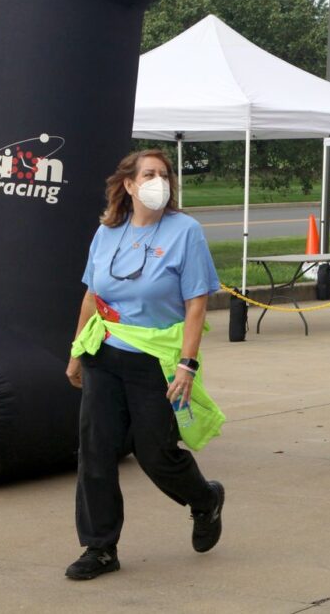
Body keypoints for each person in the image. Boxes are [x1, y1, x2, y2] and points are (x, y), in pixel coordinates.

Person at [63, 148, 224, 580]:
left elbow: (196, 303)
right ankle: (99, 547)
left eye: (165, 175)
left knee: (155, 453)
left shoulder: (185, 231)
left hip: (155, 358)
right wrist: (77, 351)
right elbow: (92, 296)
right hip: (104, 353)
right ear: (129, 184)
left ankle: (204, 499)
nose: (159, 182)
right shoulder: (107, 232)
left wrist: (187, 364)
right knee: (95, 450)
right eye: (149, 174)